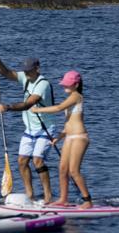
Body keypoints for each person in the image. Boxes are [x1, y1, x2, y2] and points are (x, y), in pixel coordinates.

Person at [0, 52, 55, 203]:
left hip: (45, 129)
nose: (26, 72)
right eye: (24, 70)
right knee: (22, 161)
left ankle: (48, 196)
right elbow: (6, 73)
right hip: (29, 129)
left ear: (37, 68)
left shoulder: (43, 84)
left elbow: (28, 104)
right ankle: (30, 195)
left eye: (29, 70)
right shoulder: (25, 77)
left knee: (37, 160)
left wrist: (7, 107)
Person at [31, 70, 92, 209]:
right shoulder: (70, 98)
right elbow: (69, 123)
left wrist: (37, 110)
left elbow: (58, 108)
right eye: (64, 83)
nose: (64, 86)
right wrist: (58, 138)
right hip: (69, 137)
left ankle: (87, 201)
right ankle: (63, 199)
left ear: (76, 85)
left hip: (79, 138)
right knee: (62, 169)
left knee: (74, 171)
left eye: (67, 84)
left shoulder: (76, 96)